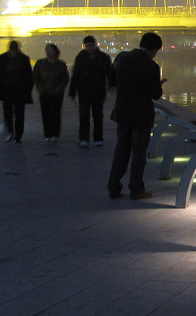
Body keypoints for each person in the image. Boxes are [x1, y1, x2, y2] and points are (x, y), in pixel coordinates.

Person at [107, 32, 165, 200]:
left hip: (122, 112)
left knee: (121, 150)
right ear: (154, 49)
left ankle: (113, 187)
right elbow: (155, 94)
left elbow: (112, 82)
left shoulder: (122, 58)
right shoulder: (152, 66)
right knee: (139, 153)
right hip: (141, 115)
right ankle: (137, 189)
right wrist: (159, 86)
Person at [68, 35, 113, 148]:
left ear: (95, 45)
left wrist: (112, 86)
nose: (89, 48)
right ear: (85, 46)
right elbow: (76, 75)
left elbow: (110, 74)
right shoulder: (80, 57)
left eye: (91, 45)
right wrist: (72, 91)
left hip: (98, 91)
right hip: (83, 91)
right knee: (84, 115)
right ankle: (84, 139)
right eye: (87, 46)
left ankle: (98, 138)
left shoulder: (104, 58)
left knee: (98, 115)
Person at [0, 40, 34, 142]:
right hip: (9, 90)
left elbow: (28, 76)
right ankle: (13, 132)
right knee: (10, 112)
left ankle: (17, 134)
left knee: (16, 112)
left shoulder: (18, 59)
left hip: (17, 89)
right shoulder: (16, 58)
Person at [33, 43, 70, 143]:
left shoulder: (61, 64)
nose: (48, 52)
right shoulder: (40, 63)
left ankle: (55, 133)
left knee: (56, 113)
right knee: (46, 113)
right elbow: (36, 77)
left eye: (50, 50)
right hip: (44, 92)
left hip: (57, 93)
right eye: (47, 50)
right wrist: (40, 88)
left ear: (55, 52)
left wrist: (60, 88)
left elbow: (65, 78)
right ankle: (48, 134)